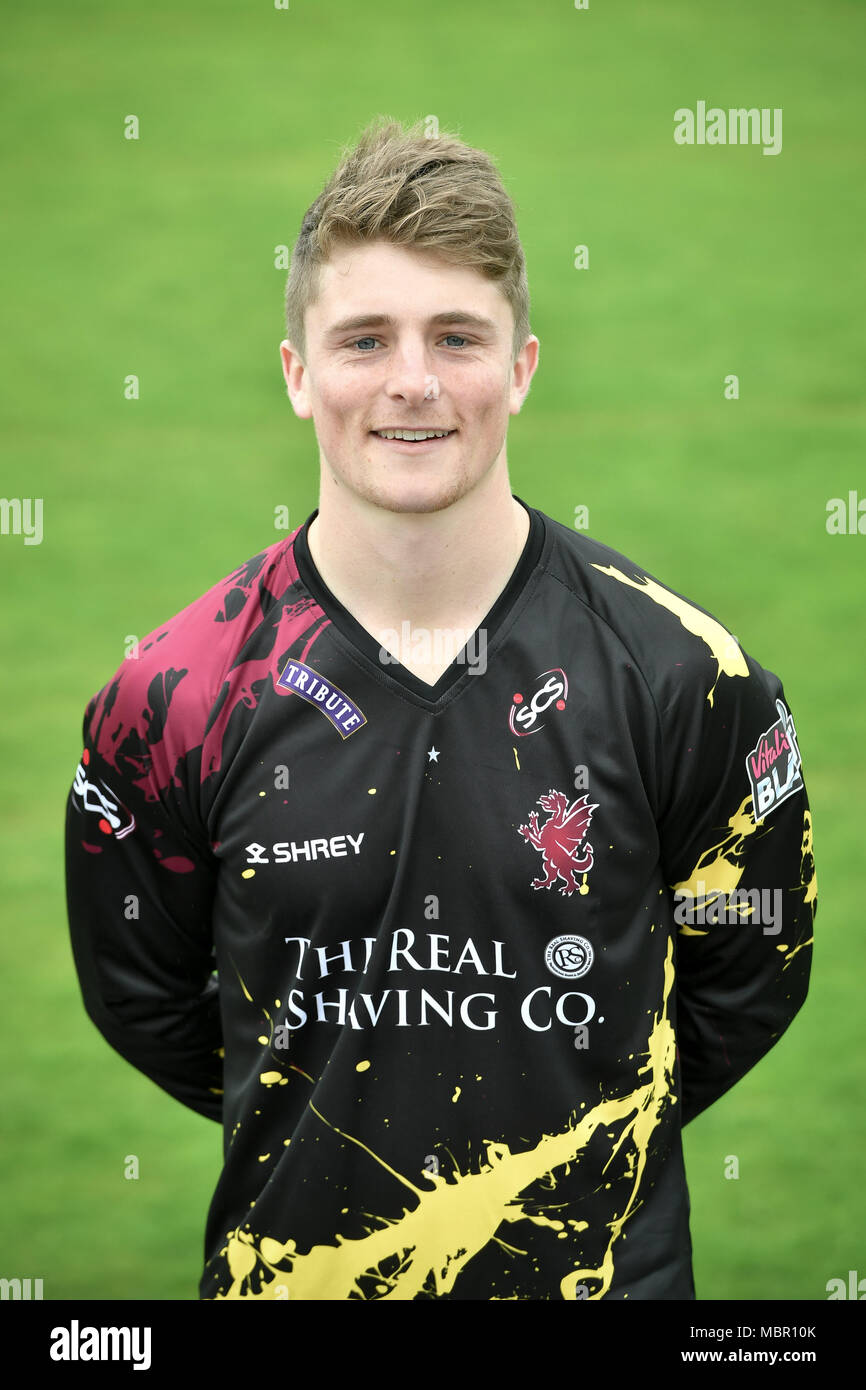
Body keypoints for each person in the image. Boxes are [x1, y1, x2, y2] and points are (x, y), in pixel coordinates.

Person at [65, 116, 816, 1301]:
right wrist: (315, 1100)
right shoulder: (174, 695)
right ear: (297, 371)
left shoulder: (686, 676)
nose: (411, 381)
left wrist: (575, 1127)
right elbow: (144, 996)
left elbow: (751, 965)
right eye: (363, 339)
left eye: (455, 337)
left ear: (519, 366)